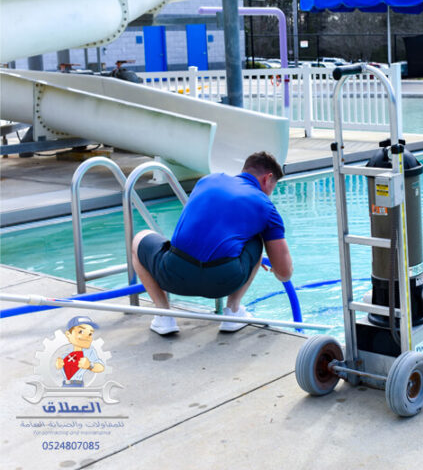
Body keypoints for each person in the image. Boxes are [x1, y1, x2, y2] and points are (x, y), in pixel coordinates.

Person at [132, 151, 293, 335]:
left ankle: (163, 315)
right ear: (267, 178)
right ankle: (232, 311)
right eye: (272, 187)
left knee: (139, 238)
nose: (270, 193)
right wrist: (262, 257)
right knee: (256, 237)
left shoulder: (207, 180)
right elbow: (284, 274)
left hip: (173, 276)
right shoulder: (266, 206)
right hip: (223, 282)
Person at [56, 316, 105, 387]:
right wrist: (60, 364)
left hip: (78, 386)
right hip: (64, 385)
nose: (86, 336)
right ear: (68, 334)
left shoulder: (89, 352)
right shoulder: (66, 353)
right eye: (81, 332)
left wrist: (90, 365)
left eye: (90, 334)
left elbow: (100, 367)